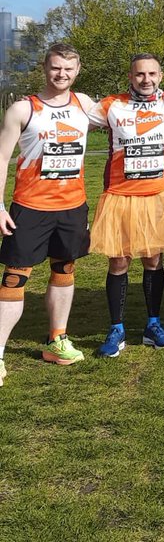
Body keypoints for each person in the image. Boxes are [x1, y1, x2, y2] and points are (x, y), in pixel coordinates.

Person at [0, 44, 97, 381]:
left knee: (65, 270)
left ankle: (56, 339)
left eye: (69, 69)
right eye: (56, 68)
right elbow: (1, 159)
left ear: (78, 69)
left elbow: (130, 111)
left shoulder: (84, 105)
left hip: (72, 207)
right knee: (15, 277)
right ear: (45, 67)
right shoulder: (23, 108)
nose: (62, 74)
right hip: (29, 207)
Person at [90, 53, 164, 356]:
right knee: (119, 261)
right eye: (140, 75)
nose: (146, 80)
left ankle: (153, 325)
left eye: (152, 74)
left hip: (158, 194)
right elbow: (71, 114)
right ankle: (117, 329)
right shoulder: (111, 105)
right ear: (130, 77)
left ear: (161, 76)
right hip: (120, 196)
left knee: (154, 260)